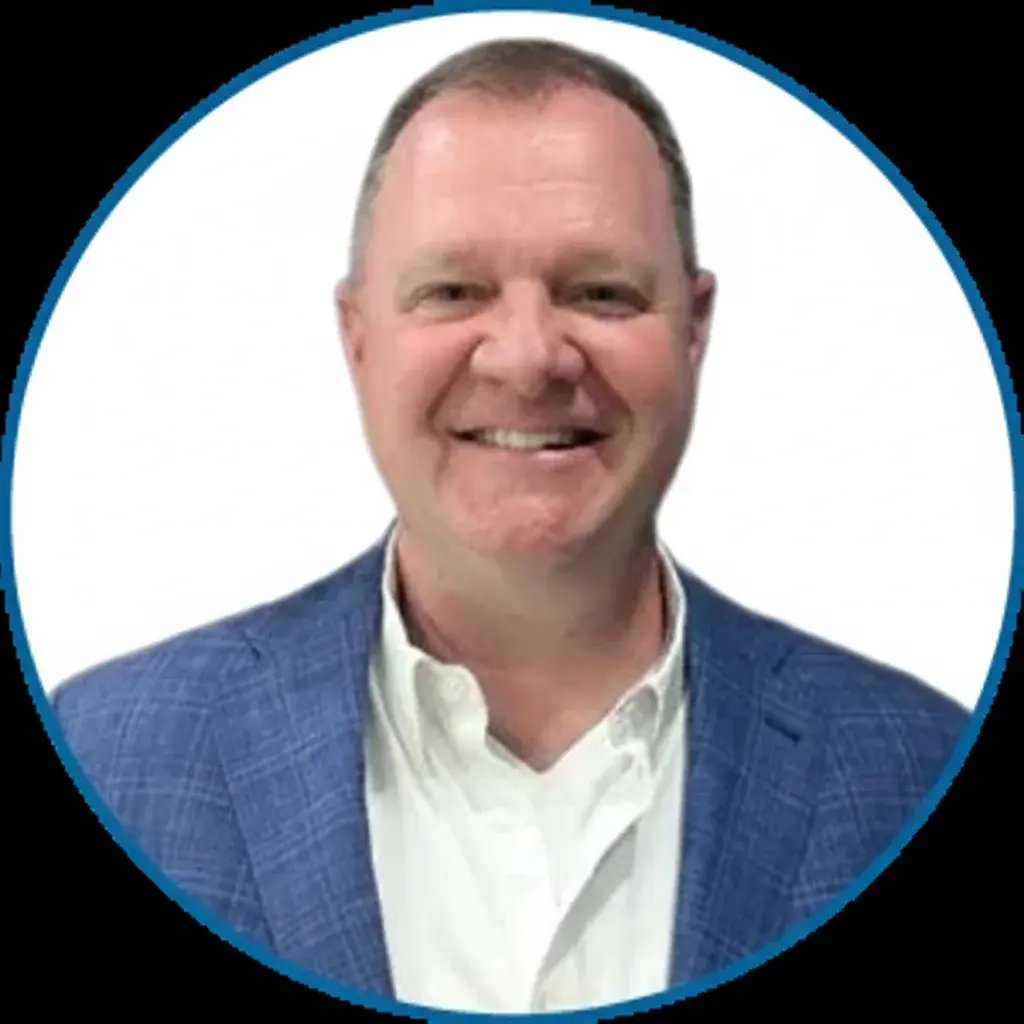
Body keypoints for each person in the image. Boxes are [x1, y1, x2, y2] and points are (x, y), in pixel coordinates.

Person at [50, 38, 968, 1014]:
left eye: (600, 292)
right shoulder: (108, 759)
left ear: (692, 331)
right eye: (453, 291)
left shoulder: (914, 767)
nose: (529, 357)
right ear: (357, 337)